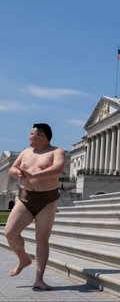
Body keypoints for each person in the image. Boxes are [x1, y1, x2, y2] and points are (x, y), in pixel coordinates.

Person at [5, 123, 66, 290]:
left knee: (42, 240)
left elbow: (58, 168)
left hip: (47, 199)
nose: (29, 137)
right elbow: (12, 168)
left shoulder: (56, 151)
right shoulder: (25, 152)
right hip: (25, 197)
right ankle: (24, 259)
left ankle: (39, 279)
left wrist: (35, 174)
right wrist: (17, 172)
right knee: (10, 233)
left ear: (42, 136)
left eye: (32, 134)